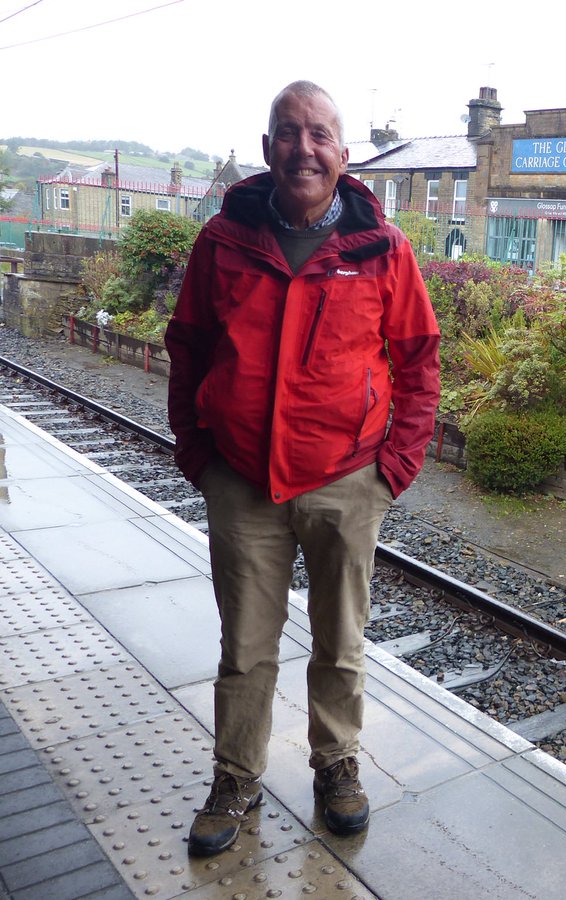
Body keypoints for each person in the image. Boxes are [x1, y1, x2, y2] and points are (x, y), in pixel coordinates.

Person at [165, 80, 440, 856]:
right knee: (245, 644)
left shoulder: (382, 249)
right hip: (243, 479)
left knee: (340, 638)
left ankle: (336, 763)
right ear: (267, 151)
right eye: (288, 133)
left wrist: (397, 464)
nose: (304, 148)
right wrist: (196, 448)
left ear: (344, 155)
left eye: (319, 134)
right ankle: (235, 775)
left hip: (348, 478)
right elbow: (186, 343)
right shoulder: (223, 241)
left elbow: (418, 358)